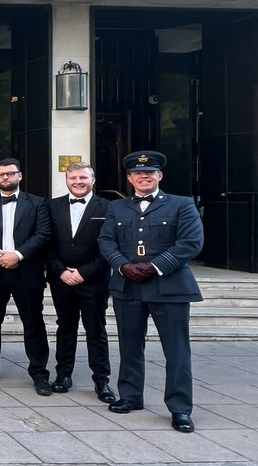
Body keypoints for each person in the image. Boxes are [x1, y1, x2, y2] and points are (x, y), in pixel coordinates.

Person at [98, 150, 203, 433]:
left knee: (176, 350)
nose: (144, 176)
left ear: (160, 176)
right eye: (137, 173)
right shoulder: (116, 208)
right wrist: (122, 266)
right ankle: (131, 396)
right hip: (127, 286)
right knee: (130, 346)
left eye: (150, 172)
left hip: (169, 287)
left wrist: (154, 267)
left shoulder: (181, 205)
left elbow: (191, 242)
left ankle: (180, 408)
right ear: (130, 178)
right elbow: (106, 241)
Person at [0, 157, 54, 395]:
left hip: (26, 271)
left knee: (34, 324)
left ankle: (39, 374)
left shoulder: (38, 203)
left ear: (19, 176)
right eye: (1, 174)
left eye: (10, 173)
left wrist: (17, 255)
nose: (5, 177)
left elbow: (43, 234)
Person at [47, 161, 115, 403]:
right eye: (73, 177)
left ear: (93, 180)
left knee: (95, 330)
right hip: (61, 279)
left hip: (94, 280)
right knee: (65, 328)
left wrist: (84, 272)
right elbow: (46, 243)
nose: (78, 182)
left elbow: (109, 246)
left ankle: (102, 381)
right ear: (66, 180)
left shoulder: (108, 207)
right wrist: (60, 271)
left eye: (83, 178)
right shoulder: (52, 206)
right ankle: (63, 375)